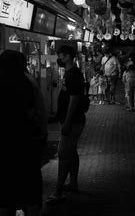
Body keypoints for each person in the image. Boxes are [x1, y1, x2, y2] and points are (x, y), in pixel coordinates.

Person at [0, 50, 44, 216]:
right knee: (30, 193)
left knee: (4, 197)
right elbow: (32, 114)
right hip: (26, 143)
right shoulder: (27, 86)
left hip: (3, 146)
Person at [47, 45, 87, 205]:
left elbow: (74, 99)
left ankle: (57, 191)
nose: (59, 59)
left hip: (73, 122)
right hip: (72, 120)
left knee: (63, 155)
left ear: (68, 56)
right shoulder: (70, 73)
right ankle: (73, 183)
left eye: (61, 56)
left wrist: (67, 122)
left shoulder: (74, 75)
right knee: (72, 153)